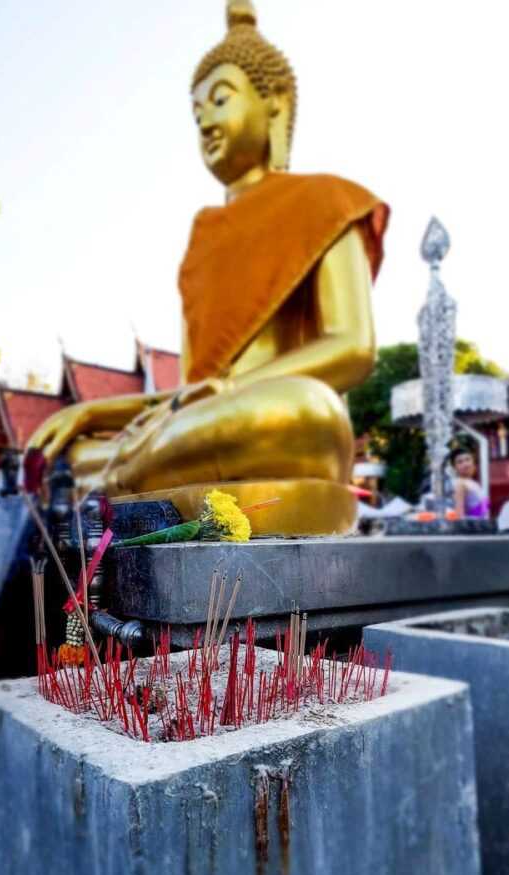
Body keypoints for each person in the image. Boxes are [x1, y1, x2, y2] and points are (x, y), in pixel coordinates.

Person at [26, 0, 389, 534]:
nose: (206, 122)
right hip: (197, 426)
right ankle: (117, 471)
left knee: (311, 410)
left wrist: (228, 391)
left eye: (220, 100)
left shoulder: (329, 200)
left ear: (275, 104)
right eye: (196, 112)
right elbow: (190, 391)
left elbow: (354, 347)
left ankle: (114, 478)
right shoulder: (203, 237)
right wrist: (95, 415)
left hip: (276, 418)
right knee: (75, 450)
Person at [451, 447, 489, 519]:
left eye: (468, 459)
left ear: (473, 462)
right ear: (454, 467)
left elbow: (483, 512)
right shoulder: (460, 485)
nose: (465, 464)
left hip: (482, 527)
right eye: (460, 462)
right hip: (472, 528)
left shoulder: (474, 484)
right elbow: (459, 517)